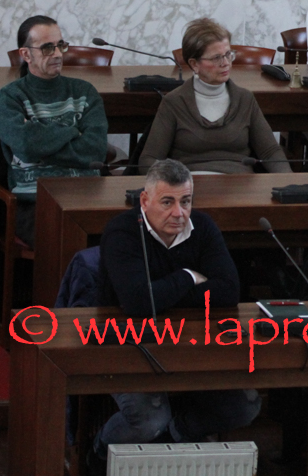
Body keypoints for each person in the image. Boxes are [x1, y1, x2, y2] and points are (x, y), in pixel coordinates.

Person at [93, 159, 260, 464]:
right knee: (148, 420)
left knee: (244, 405)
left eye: (185, 202)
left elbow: (228, 292)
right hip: (128, 346)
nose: (179, 213)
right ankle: (100, 454)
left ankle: (174, 436)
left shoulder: (203, 227)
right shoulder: (122, 232)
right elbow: (138, 302)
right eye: (167, 202)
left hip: (191, 345)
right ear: (145, 201)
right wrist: (187, 276)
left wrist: (161, 295)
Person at [0, 15, 108, 247]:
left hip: (87, 197)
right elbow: (26, 145)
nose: (57, 54)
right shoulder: (10, 97)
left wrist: (41, 142)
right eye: (47, 48)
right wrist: (72, 131)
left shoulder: (84, 92)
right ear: (26, 54)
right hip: (35, 201)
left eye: (60, 45)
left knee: (122, 240)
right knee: (68, 241)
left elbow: (95, 151)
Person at [140, 18, 289, 174]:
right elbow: (148, 159)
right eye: (216, 58)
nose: (225, 63)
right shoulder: (174, 102)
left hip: (239, 184)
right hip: (189, 184)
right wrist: (173, 182)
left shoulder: (245, 99)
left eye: (228, 54)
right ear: (194, 64)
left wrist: (288, 182)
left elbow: (270, 152)